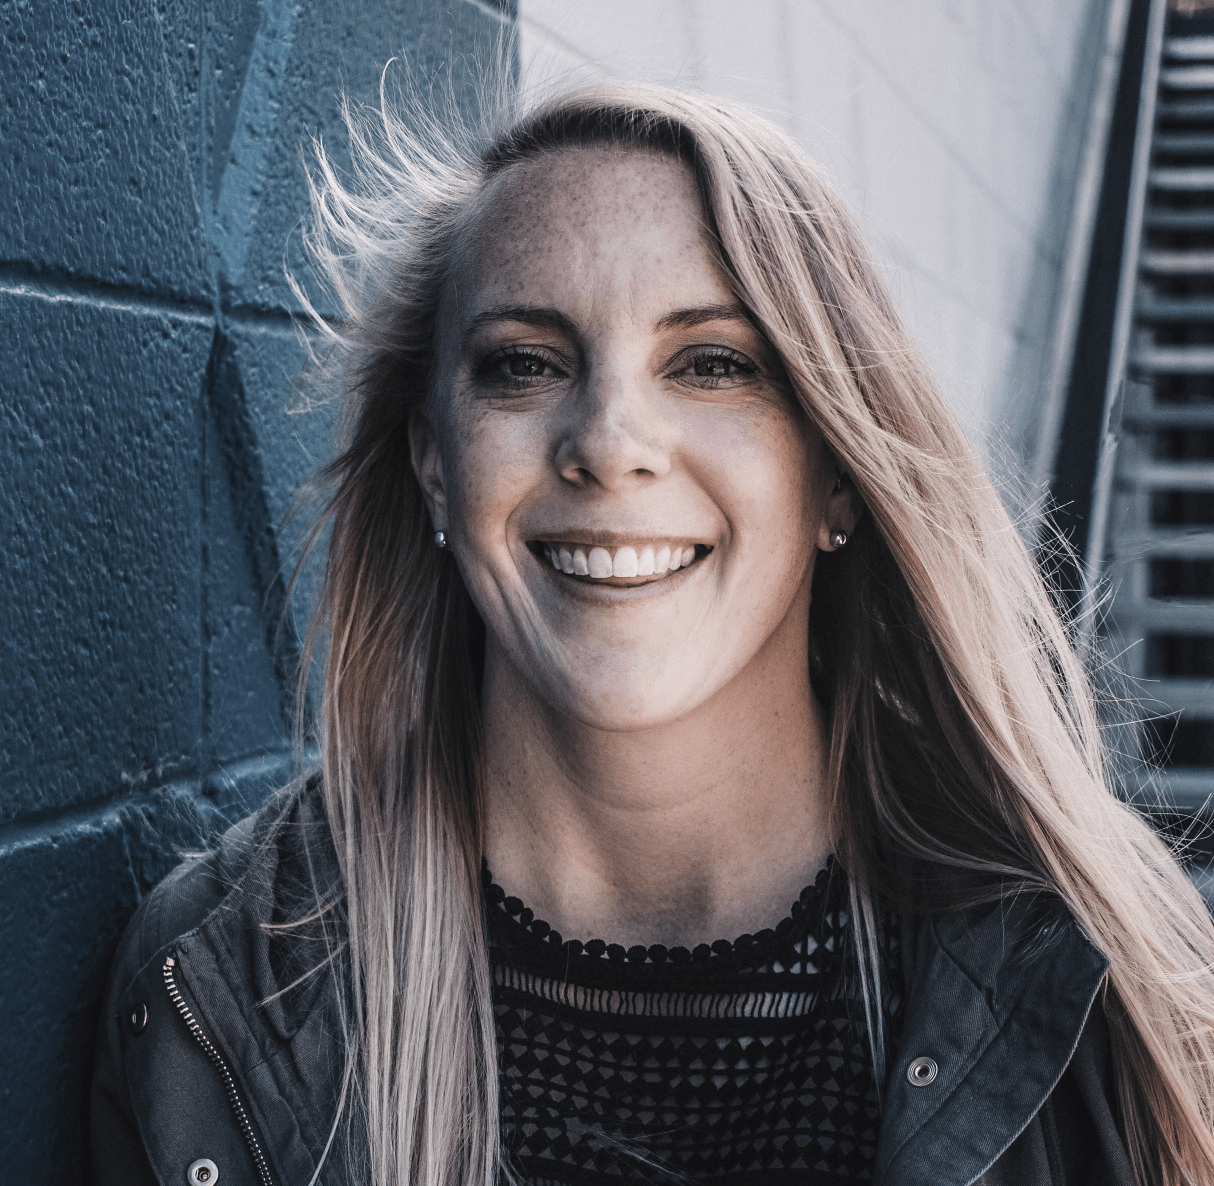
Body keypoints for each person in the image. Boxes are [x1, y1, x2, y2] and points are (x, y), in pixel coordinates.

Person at [90, 81, 1214, 1186]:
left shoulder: (1097, 965)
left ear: (835, 471)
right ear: (435, 465)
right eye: (524, 363)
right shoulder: (223, 982)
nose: (609, 441)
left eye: (711, 363)